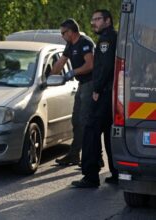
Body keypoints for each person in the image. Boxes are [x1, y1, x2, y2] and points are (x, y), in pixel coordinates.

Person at [72, 9, 118, 188]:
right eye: (93, 19)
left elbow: (105, 67)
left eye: (97, 19)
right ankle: (115, 172)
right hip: (110, 93)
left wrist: (97, 89)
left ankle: (90, 176)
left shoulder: (106, 39)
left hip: (104, 92)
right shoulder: (114, 36)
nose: (94, 23)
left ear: (108, 20)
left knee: (90, 131)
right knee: (108, 132)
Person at [51, 18, 95, 166]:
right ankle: (75, 155)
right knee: (76, 120)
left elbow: (90, 65)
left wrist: (73, 72)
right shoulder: (70, 45)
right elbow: (60, 62)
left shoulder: (84, 43)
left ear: (70, 32)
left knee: (85, 121)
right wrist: (48, 76)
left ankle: (90, 157)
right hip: (82, 85)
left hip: (90, 84)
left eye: (63, 33)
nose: (62, 36)